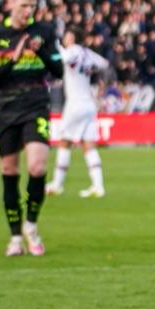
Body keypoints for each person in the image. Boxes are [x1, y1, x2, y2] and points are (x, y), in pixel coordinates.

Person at [0, 0, 63, 256]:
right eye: (22, 6)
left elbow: (58, 72)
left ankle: (31, 227)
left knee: (37, 167)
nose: (27, 11)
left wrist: (41, 51)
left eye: (32, 6)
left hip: (36, 106)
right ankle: (15, 238)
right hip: (7, 109)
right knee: (9, 171)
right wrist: (14, 57)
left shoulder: (43, 31)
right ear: (9, 4)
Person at [46, 27, 109, 198]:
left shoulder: (72, 51)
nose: (66, 39)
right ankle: (98, 186)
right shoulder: (87, 53)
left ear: (73, 38)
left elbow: (65, 58)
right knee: (88, 144)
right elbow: (104, 63)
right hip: (88, 103)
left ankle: (57, 184)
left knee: (65, 141)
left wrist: (58, 47)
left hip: (75, 104)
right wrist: (89, 70)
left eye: (68, 36)